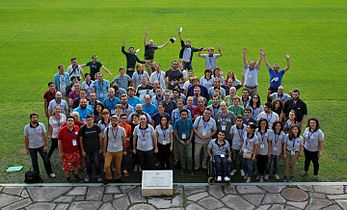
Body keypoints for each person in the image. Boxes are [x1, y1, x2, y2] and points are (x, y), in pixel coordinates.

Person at [24, 113, 55, 178]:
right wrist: (27, 149)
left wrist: (45, 145)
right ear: (30, 119)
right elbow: (26, 138)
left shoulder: (41, 125)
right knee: (34, 162)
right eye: (33, 117)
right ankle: (36, 175)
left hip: (41, 146)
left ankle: (50, 172)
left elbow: (44, 135)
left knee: (46, 160)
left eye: (36, 117)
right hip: (32, 147)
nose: (35, 119)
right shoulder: (26, 127)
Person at [57, 116, 82, 182]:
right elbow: (59, 142)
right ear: (66, 122)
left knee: (76, 165)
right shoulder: (62, 130)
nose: (70, 122)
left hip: (76, 151)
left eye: (71, 121)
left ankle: (76, 176)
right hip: (66, 152)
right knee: (67, 167)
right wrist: (60, 152)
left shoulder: (77, 128)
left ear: (74, 122)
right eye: (69, 121)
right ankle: (68, 178)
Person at [79, 115, 103, 182]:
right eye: (88, 120)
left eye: (91, 120)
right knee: (88, 162)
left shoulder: (97, 127)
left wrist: (101, 148)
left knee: (97, 162)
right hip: (87, 149)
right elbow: (80, 140)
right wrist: (82, 150)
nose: (89, 121)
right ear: (86, 121)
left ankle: (98, 175)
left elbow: (100, 138)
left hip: (96, 148)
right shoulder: (83, 128)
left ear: (93, 120)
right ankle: (88, 175)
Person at [103, 115, 126, 184]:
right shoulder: (106, 129)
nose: (114, 122)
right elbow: (105, 140)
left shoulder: (122, 130)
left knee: (118, 166)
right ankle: (108, 178)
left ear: (118, 121)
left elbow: (124, 140)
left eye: (115, 120)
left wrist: (124, 150)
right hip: (109, 150)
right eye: (112, 120)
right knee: (106, 166)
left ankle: (117, 178)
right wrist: (104, 150)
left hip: (119, 150)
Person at [173, 109, 194, 174]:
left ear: (187, 115)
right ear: (180, 115)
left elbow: (192, 130)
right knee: (181, 155)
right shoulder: (177, 121)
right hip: (180, 141)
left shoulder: (190, 121)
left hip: (188, 141)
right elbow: (175, 132)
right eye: (183, 114)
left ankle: (189, 169)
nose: (184, 116)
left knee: (189, 156)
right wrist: (179, 140)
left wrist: (190, 139)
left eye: (185, 114)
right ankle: (183, 168)